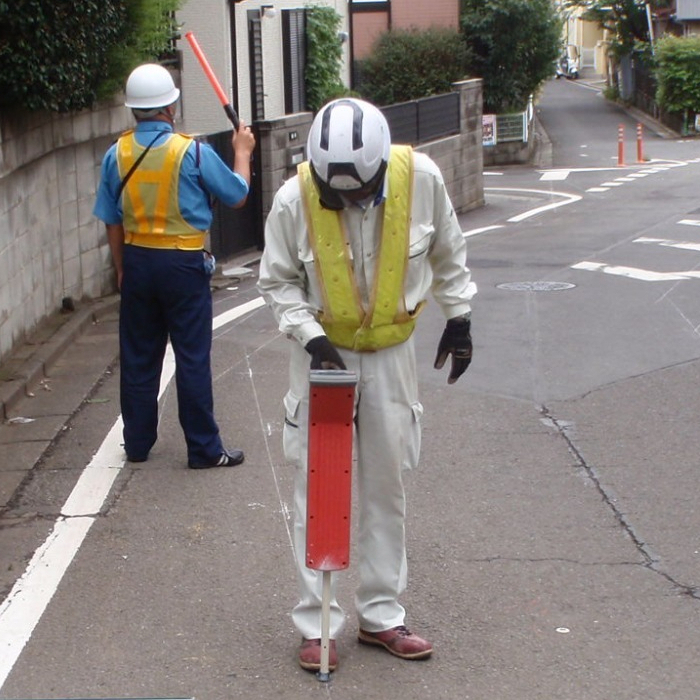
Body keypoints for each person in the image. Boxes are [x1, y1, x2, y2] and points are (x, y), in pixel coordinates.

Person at [257, 97, 476, 671]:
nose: (349, 201)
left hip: (391, 354)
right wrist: (310, 338)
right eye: (338, 193)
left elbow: (449, 250)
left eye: (359, 192)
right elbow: (277, 282)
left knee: (386, 485)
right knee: (320, 490)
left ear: (380, 167)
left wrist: (459, 317)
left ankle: (382, 615)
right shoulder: (293, 199)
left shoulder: (421, 180)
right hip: (321, 358)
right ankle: (318, 624)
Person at [93, 63, 256, 469]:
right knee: (191, 356)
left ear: (134, 109)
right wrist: (242, 152)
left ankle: (137, 443)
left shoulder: (117, 154)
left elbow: (111, 218)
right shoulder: (192, 150)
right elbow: (236, 194)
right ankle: (203, 448)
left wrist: (121, 268)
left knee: (138, 355)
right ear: (171, 106)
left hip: (137, 260)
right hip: (184, 264)